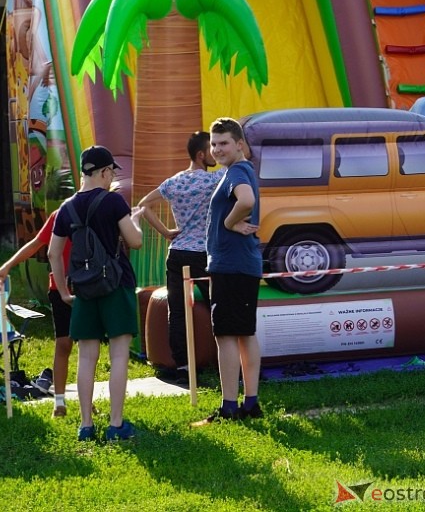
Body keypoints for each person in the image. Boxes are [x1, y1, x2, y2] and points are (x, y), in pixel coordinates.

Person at [48, 145, 143, 441]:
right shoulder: (113, 201)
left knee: (86, 357)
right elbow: (135, 241)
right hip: (116, 284)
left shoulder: (67, 208)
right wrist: (136, 219)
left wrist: (64, 292)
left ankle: (86, 425)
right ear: (103, 172)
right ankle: (116, 424)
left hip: (84, 288)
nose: (111, 177)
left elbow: (53, 253)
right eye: (111, 171)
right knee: (118, 356)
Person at [133, 130, 219, 385]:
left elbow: (143, 205)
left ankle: (182, 366)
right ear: (202, 154)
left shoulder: (173, 182)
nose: (215, 152)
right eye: (211, 149)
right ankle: (225, 359)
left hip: (178, 252)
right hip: (204, 253)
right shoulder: (214, 181)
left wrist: (166, 232)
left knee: (178, 312)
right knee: (218, 306)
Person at [194, 118, 264, 424]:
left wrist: (227, 222)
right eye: (213, 143)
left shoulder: (238, 171)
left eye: (223, 143)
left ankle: (229, 407)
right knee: (244, 334)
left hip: (232, 265)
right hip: (241, 265)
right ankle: (250, 403)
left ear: (239, 145)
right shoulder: (237, 171)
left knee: (226, 335)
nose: (217, 149)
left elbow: (246, 200)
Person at [0, 209, 72, 418]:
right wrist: (7, 266)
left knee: (89, 347)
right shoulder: (61, 213)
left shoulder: (98, 211)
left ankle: (87, 401)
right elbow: (37, 243)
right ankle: (59, 402)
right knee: (63, 344)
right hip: (59, 288)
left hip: (89, 287)